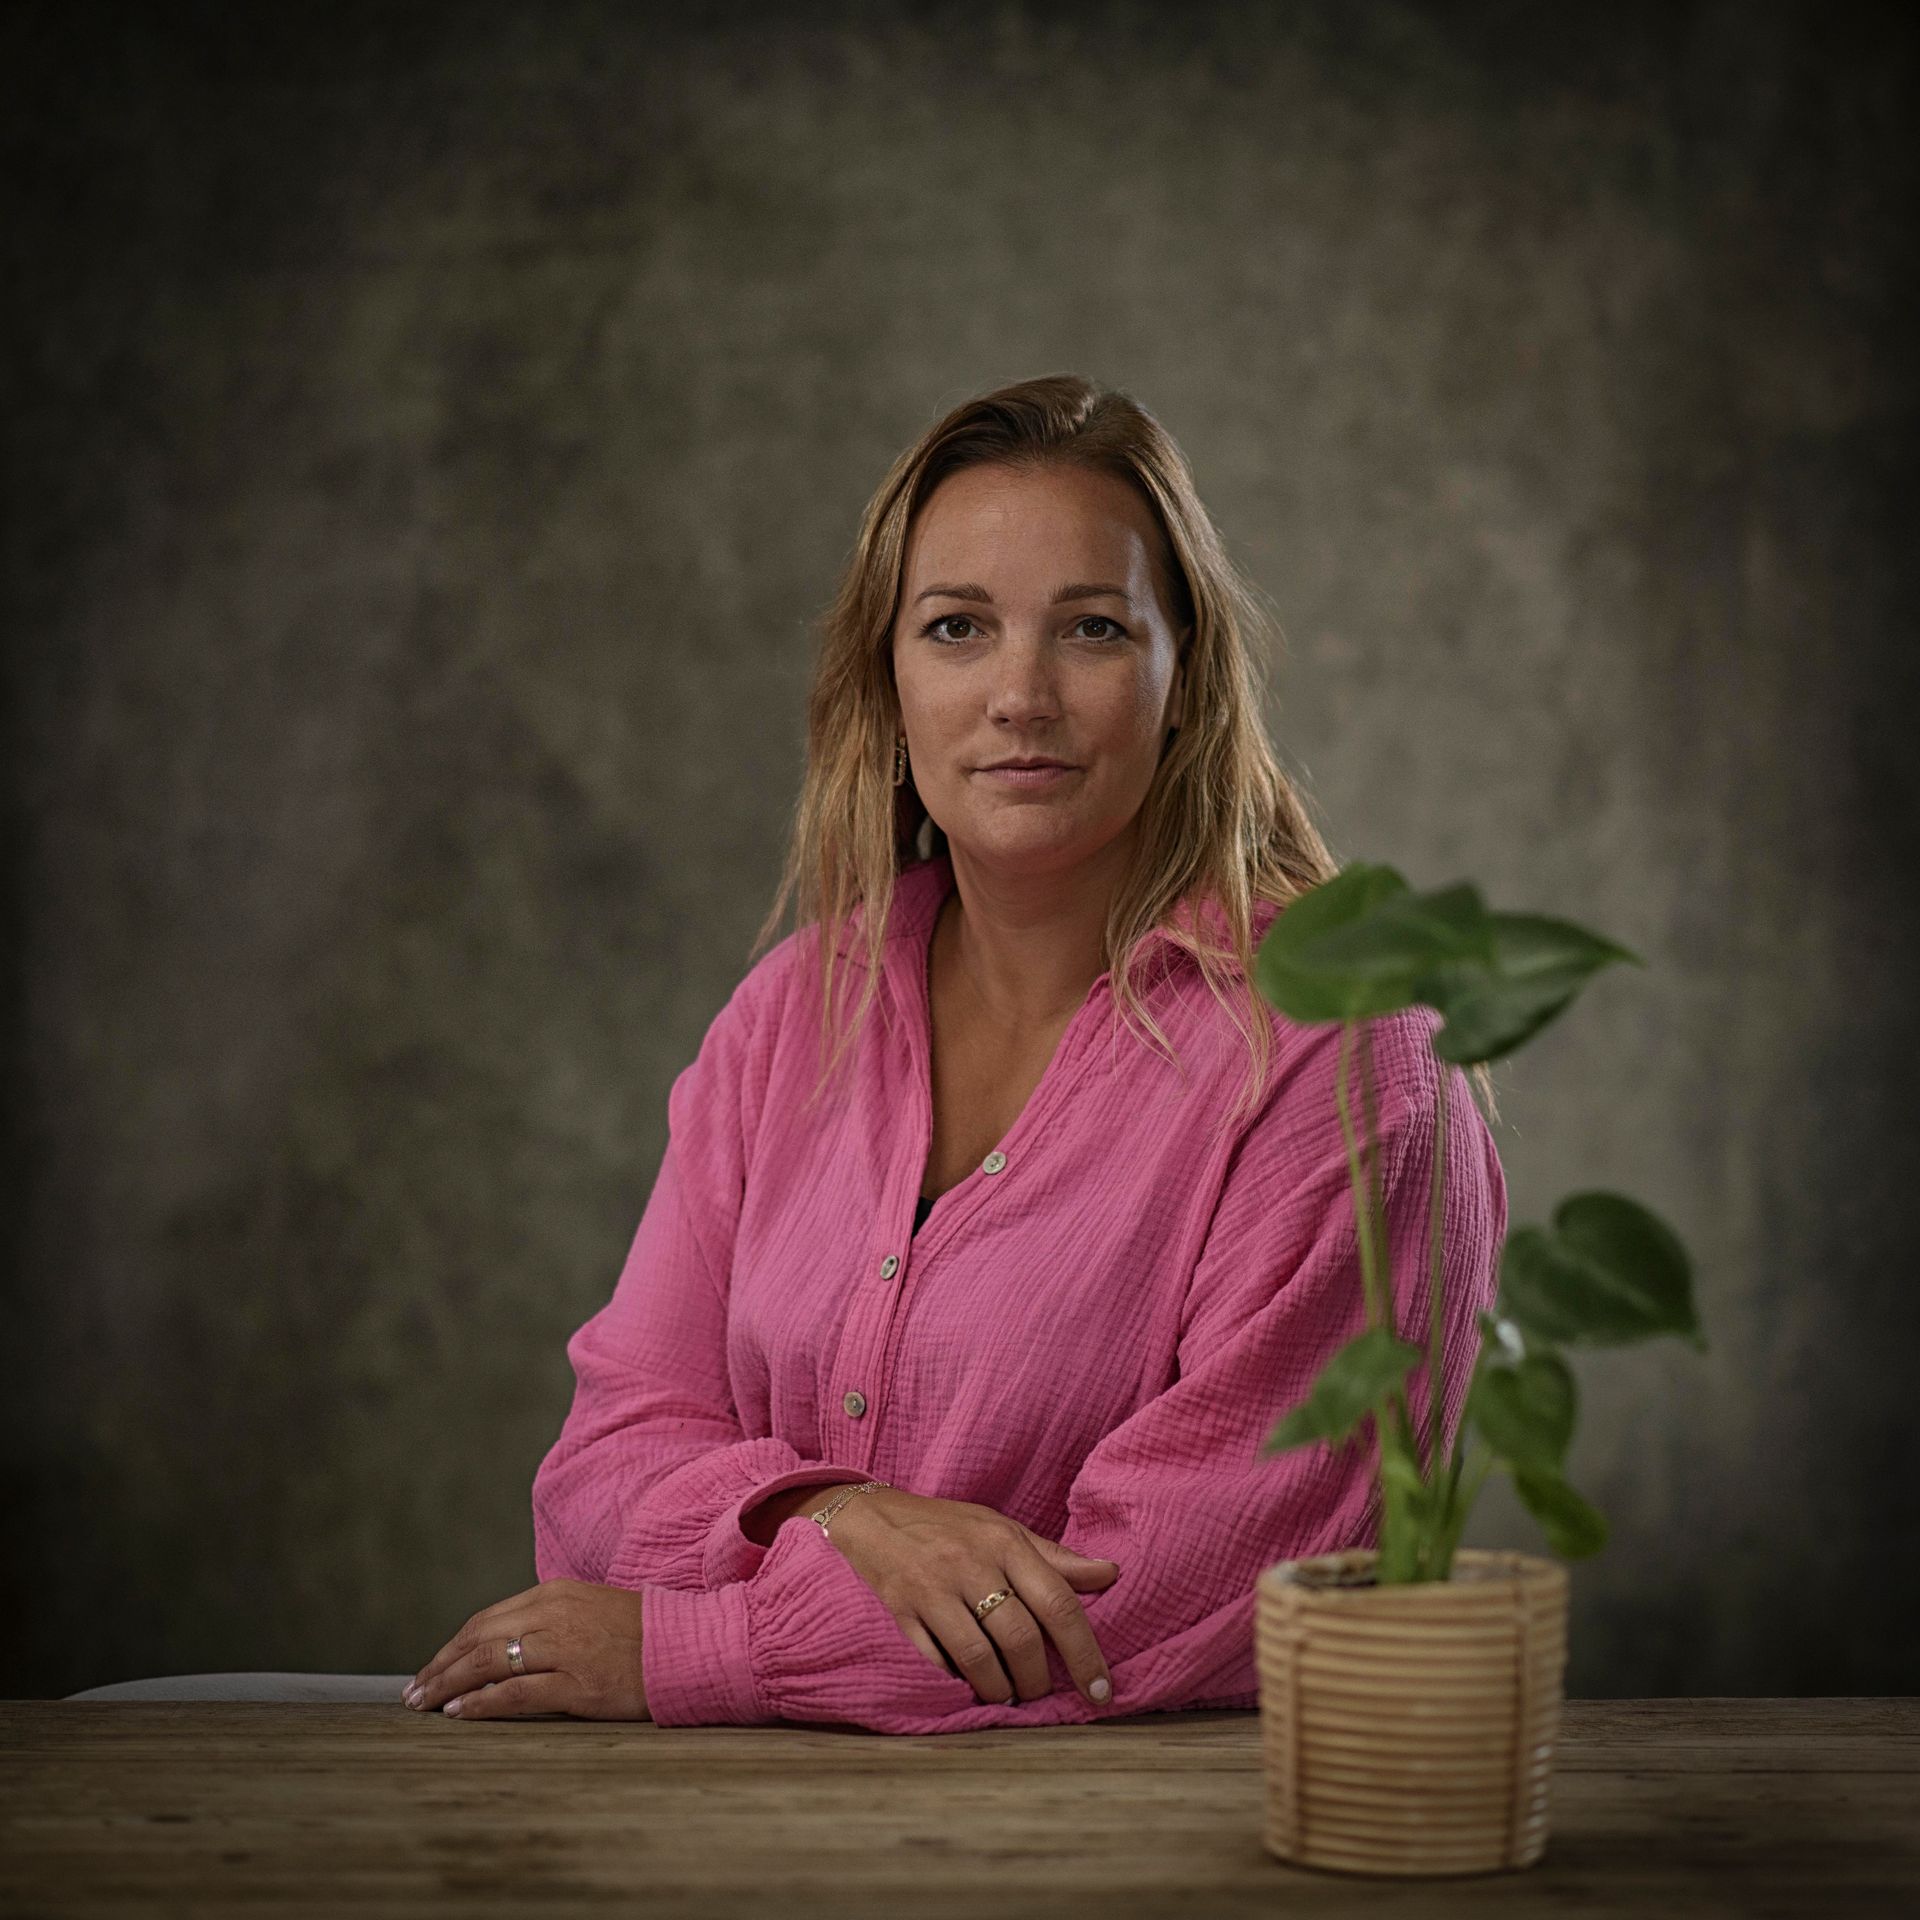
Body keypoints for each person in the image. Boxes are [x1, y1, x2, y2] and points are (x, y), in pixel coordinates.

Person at [76, 374, 1506, 1719]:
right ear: (885, 687)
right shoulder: (791, 1018)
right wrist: (837, 1513)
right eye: (956, 626)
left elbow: (1185, 1595)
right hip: (735, 1837)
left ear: (1185, 679)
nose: (1020, 694)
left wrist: (698, 1646)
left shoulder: (1343, 1049)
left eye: (1093, 627)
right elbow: (599, 1472)